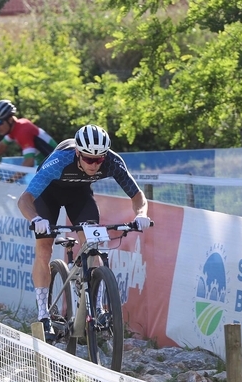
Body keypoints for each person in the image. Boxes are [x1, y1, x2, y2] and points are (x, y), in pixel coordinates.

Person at [17, 124, 151, 341]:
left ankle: (96, 306)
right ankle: (43, 315)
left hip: (79, 196)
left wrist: (141, 215)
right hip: (48, 196)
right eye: (89, 159)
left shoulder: (112, 161)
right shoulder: (60, 161)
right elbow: (25, 200)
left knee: (91, 244)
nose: (94, 164)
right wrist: (36, 219)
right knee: (44, 248)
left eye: (99, 160)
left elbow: (137, 196)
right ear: (78, 153)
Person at [0, 99, 57, 182]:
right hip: (48, 168)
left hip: (56, 170)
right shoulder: (16, 128)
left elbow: (29, 162)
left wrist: (10, 181)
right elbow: (1, 147)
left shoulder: (22, 131)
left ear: (10, 119)